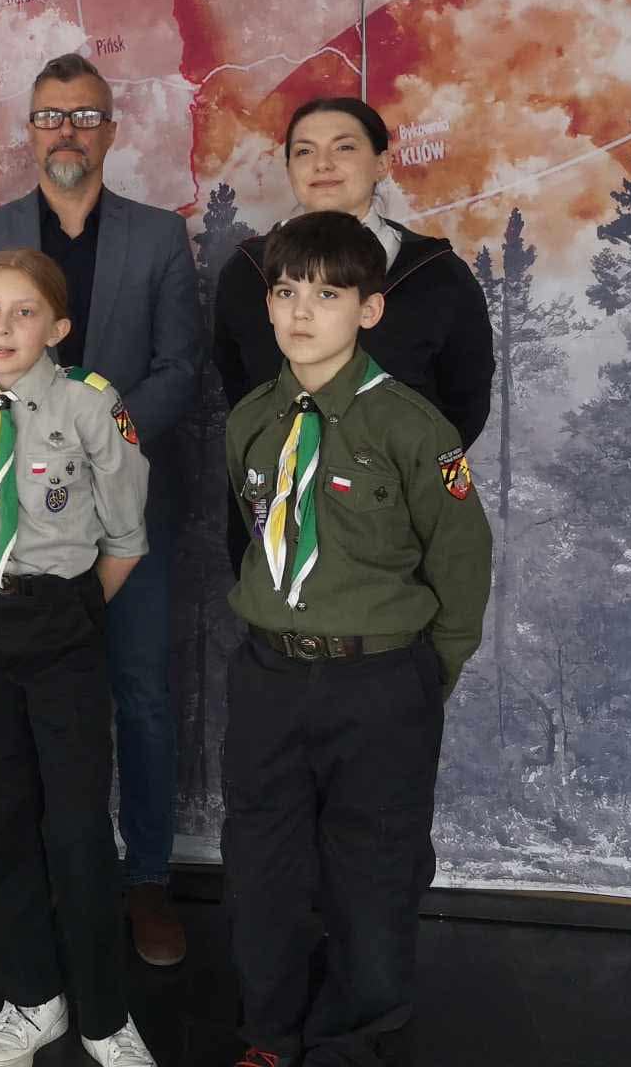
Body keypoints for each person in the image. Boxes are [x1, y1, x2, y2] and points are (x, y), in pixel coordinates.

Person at [0, 53, 201, 966]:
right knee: (22, 714)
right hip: (13, 519)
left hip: (128, 510)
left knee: (141, 696)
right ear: (29, 130)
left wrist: (102, 439)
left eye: (86, 116)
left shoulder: (159, 237)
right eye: (51, 116)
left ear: (111, 131)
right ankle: (30, 893)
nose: (68, 132)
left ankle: (146, 881)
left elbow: (180, 367)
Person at [222, 211, 491, 1067]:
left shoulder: (413, 428)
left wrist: (422, 678)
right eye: (285, 291)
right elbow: (254, 532)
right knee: (261, 867)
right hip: (269, 676)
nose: (302, 311)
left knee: (373, 872)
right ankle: (268, 1032)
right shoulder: (251, 420)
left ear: (369, 309)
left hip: (379, 684)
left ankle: (351, 1041)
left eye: (328, 294)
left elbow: (461, 562)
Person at [0, 248, 159, 1067]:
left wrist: (72, 611)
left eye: (25, 312)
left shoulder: (90, 405)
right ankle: (32, 998)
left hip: (62, 624)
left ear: (58, 327)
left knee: (78, 823)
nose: (3, 326)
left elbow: (126, 539)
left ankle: (103, 1013)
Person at [211, 96, 494, 445]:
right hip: (276, 476)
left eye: (344, 147)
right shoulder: (247, 270)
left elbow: (466, 400)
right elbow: (237, 381)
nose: (322, 164)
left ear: (382, 163)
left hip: (402, 478)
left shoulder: (438, 273)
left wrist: (406, 467)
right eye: (304, 151)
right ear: (289, 168)